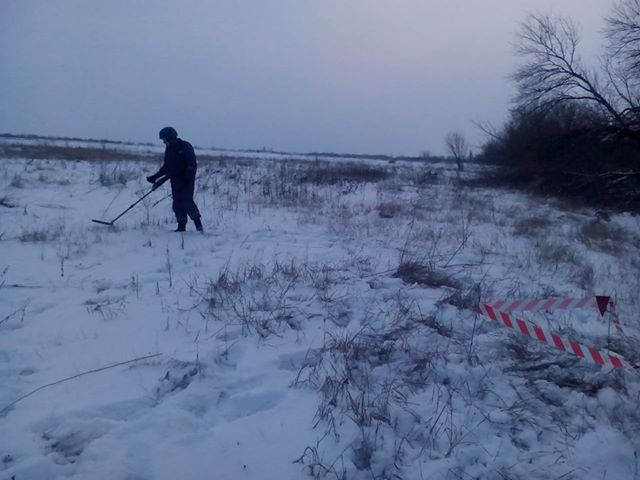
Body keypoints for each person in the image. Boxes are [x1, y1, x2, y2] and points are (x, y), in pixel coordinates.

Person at [146, 127, 203, 232]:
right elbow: (167, 167)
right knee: (177, 203)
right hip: (175, 180)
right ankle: (181, 227)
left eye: (164, 139)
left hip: (187, 180)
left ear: (170, 138)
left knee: (187, 201)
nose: (163, 142)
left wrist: (187, 176)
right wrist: (155, 176)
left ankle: (198, 226)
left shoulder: (186, 146)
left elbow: (192, 164)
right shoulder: (169, 149)